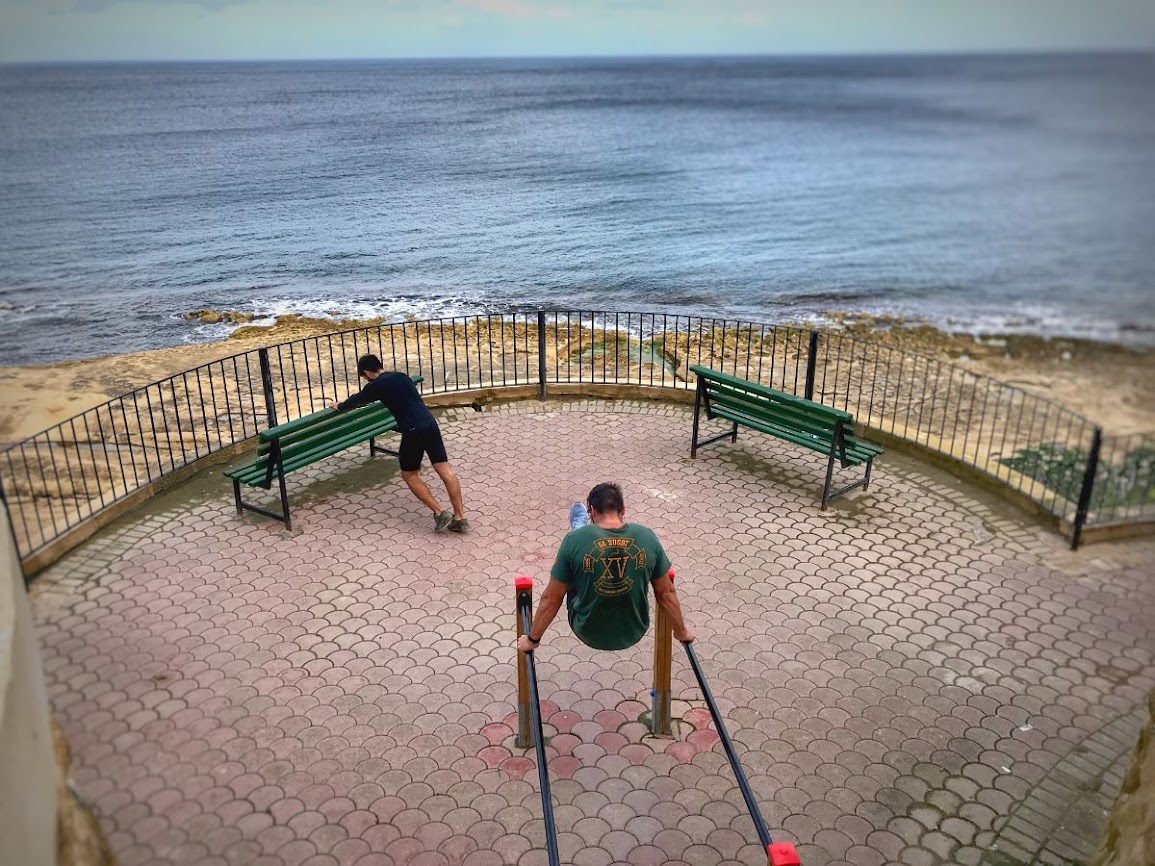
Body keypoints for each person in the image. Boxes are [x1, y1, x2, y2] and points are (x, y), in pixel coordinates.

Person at [517, 482, 693, 653]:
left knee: (572, 562)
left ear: (593, 512)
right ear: (623, 510)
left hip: (587, 629)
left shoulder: (572, 542)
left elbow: (551, 599)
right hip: (634, 629)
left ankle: (579, 527)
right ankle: (581, 531)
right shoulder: (647, 536)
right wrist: (681, 631)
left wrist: (533, 639)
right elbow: (666, 593)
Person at [329, 354, 468, 532]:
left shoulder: (376, 385)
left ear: (367, 373)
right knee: (445, 469)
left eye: (364, 377)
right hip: (430, 423)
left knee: (409, 475)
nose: (366, 380)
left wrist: (339, 405)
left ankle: (439, 512)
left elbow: (356, 400)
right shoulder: (401, 376)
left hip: (412, 430)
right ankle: (460, 517)